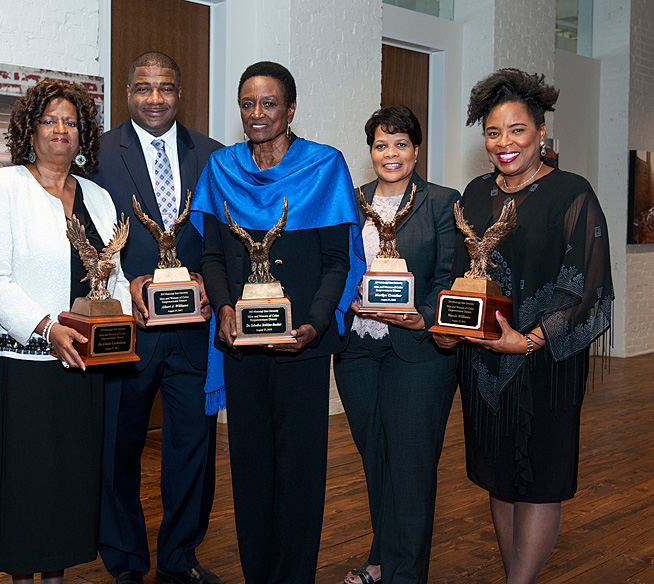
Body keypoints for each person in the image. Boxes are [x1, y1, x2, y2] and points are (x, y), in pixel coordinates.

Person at [433, 68, 613, 584]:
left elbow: (587, 285)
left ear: (540, 133)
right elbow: (461, 275)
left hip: (544, 362)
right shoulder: (473, 194)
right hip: (485, 364)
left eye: (517, 130)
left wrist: (530, 339)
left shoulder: (572, 193)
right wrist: (447, 325)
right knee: (500, 478)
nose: (504, 143)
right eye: (493, 132)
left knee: (539, 480)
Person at [192, 61, 365, 584]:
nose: (257, 114)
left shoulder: (325, 166)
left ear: (291, 109)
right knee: (249, 471)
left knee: (300, 473)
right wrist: (223, 307)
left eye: (269, 104)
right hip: (241, 348)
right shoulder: (221, 169)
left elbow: (340, 260)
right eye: (248, 104)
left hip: (303, 348)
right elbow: (214, 257)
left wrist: (314, 325)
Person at [0, 79, 130, 584]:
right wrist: (46, 327)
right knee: (28, 481)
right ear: (31, 130)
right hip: (32, 361)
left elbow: (115, 274)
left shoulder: (99, 198)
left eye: (71, 121)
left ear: (83, 135)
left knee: (71, 479)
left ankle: (57, 574)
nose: (61, 129)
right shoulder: (3, 188)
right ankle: (23, 575)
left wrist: (118, 321)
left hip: (88, 361)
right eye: (50, 120)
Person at [90, 51, 224, 584]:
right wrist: (125, 287)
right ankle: (124, 560)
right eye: (144, 88)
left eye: (165, 88)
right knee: (118, 448)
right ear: (127, 92)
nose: (154, 98)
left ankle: (179, 556)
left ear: (180, 92)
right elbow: (79, 239)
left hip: (195, 333)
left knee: (192, 448)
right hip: (129, 330)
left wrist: (216, 290)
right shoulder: (97, 154)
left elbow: (223, 238)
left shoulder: (213, 155)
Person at [333, 106, 459, 584]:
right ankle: (381, 560)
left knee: (410, 464)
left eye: (401, 144)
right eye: (382, 145)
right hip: (358, 351)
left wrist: (421, 315)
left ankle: (405, 575)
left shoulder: (443, 202)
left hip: (417, 352)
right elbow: (335, 266)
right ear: (371, 152)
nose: (391, 154)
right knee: (376, 460)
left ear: (416, 150)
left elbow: (449, 276)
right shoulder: (352, 201)